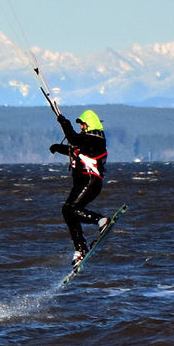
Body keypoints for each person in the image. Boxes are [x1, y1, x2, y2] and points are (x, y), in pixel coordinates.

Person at [49, 109, 109, 265]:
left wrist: (65, 123)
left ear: (89, 125)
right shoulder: (86, 140)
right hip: (81, 183)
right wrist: (57, 147)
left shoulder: (96, 138)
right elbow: (75, 149)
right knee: (67, 211)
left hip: (91, 181)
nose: (81, 127)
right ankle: (80, 248)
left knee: (71, 209)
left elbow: (74, 139)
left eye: (83, 124)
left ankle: (101, 220)